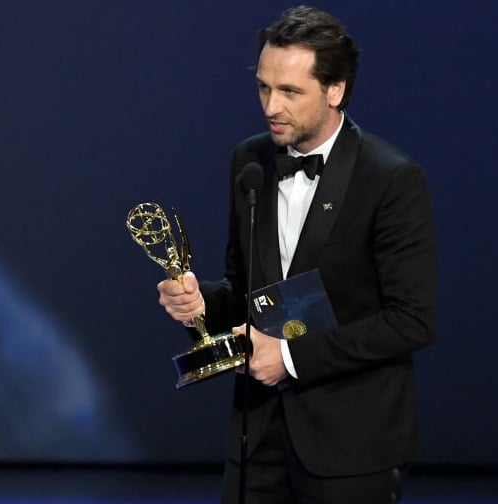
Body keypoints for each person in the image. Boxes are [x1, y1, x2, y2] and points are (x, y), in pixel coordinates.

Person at [157, 5, 438, 503]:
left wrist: (288, 357)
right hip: (256, 435)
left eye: (290, 91)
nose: (271, 107)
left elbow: (413, 320)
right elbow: (248, 288)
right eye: (264, 87)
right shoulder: (250, 160)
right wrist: (204, 303)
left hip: (352, 446)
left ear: (336, 90)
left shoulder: (391, 178)